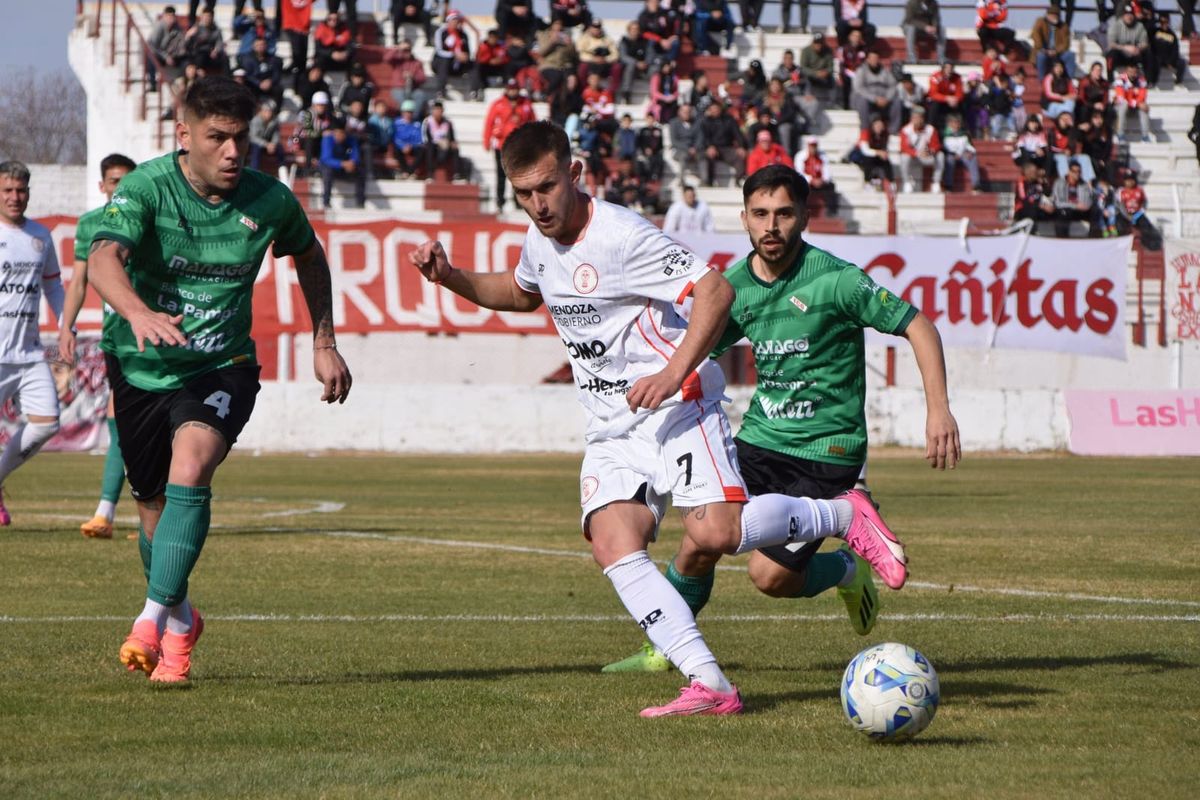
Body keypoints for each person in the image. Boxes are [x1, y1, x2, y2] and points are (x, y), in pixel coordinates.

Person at [409, 121, 909, 716]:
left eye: (545, 187)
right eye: (522, 193)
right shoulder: (538, 239)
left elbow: (715, 291)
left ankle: (843, 513)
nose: (537, 204)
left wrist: (673, 372)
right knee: (613, 541)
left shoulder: (620, 235)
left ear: (574, 173)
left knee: (717, 535)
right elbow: (521, 295)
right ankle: (712, 685)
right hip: (612, 425)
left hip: (678, 407)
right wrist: (451, 278)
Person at [602, 164, 959, 675]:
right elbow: (692, 351)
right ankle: (665, 647)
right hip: (760, 443)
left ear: (805, 217)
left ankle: (843, 566)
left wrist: (938, 409)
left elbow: (918, 326)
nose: (772, 226)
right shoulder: (732, 289)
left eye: (785, 214)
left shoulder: (837, 280)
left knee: (770, 578)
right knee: (701, 540)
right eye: (761, 214)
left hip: (827, 454)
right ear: (744, 219)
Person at [87, 76, 351, 684]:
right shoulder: (146, 187)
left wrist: (324, 340)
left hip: (222, 367)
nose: (234, 152)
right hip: (142, 366)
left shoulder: (270, 199)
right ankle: (181, 622)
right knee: (153, 516)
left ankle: (150, 621)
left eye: (242, 139)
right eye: (218, 138)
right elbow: (103, 258)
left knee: (193, 463)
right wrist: (138, 312)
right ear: (185, 135)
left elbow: (309, 255)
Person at [59, 155, 139, 538]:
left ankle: (114, 510)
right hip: (116, 337)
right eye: (113, 181)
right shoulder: (90, 225)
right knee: (121, 416)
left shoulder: (149, 219)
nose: (119, 187)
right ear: (102, 185)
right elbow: (78, 282)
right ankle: (106, 512)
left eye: (127, 181)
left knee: (141, 421)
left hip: (150, 333)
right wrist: (66, 327)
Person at [0, 162, 65, 526]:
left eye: (21, 190)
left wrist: (65, 325)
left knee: (47, 423)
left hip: (28, 353)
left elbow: (53, 285)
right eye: (7, 190)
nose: (15, 197)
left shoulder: (41, 236)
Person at [483, 79, 537, 211]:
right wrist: (487, 140)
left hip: (519, 146)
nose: (512, 91)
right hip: (501, 145)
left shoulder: (526, 103)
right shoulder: (498, 104)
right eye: (510, 88)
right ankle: (500, 202)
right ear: (506, 89)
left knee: (519, 175)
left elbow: (533, 123)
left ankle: (518, 203)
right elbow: (489, 122)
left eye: (515, 88)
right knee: (501, 175)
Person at [698, 101, 747, 187]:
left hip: (727, 148)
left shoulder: (729, 120)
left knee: (739, 156)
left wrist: (741, 146)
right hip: (711, 148)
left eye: (716, 109)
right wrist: (709, 147)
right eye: (712, 109)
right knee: (706, 157)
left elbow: (737, 134)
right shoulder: (705, 121)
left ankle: (738, 180)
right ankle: (708, 182)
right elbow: (704, 137)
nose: (715, 111)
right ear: (709, 110)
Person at [851, 50, 901, 132]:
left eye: (876, 58)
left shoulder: (885, 71)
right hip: (868, 100)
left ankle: (893, 130)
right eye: (872, 58)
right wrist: (875, 98)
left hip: (884, 100)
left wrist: (887, 99)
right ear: (867, 59)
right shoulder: (861, 71)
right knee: (862, 100)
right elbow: (859, 88)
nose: (875, 60)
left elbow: (893, 86)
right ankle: (865, 129)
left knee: (897, 101)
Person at [322, 117, 368, 206]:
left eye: (341, 133)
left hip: (346, 167)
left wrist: (352, 162)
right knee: (327, 171)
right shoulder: (328, 139)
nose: (339, 136)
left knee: (361, 171)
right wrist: (342, 164)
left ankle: (360, 203)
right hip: (332, 167)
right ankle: (326, 202)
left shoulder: (351, 139)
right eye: (337, 133)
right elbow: (326, 159)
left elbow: (355, 155)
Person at [899, 106, 944, 193]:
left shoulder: (930, 129)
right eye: (915, 118)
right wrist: (917, 153)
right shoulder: (906, 130)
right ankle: (906, 182)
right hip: (913, 157)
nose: (917, 120)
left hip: (926, 157)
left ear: (923, 119)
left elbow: (936, 145)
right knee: (904, 157)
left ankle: (936, 182)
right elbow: (904, 148)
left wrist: (929, 152)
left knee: (940, 156)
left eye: (919, 118)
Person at [1032, 3, 1077, 80]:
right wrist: (1043, 49)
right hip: (1043, 51)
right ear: (1047, 15)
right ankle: (1042, 81)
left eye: (1056, 15)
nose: (1053, 17)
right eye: (1051, 15)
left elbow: (1066, 43)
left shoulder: (1063, 26)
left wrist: (1056, 51)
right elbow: (1035, 34)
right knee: (1041, 56)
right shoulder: (1040, 22)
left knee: (1070, 55)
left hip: (1058, 53)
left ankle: (1069, 81)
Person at [146, 5, 187, 89]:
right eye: (168, 16)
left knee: (186, 59)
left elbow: (180, 44)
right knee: (151, 56)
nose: (170, 18)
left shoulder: (177, 28)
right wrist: (166, 57)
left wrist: (174, 54)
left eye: (172, 16)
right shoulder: (159, 27)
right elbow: (152, 46)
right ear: (164, 16)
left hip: (171, 55)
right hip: (159, 54)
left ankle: (183, 83)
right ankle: (153, 84)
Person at [1051, 160, 1093, 237]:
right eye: (1074, 171)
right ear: (1069, 171)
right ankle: (1062, 239)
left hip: (1080, 211)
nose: (1077, 174)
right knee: (1063, 213)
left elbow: (1088, 201)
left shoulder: (1084, 185)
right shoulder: (1059, 183)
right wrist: (1075, 205)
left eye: (1079, 171)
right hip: (1065, 210)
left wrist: (1084, 206)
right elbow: (1057, 203)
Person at [849, 115, 894, 186]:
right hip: (860, 155)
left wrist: (883, 154)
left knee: (886, 161)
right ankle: (867, 182)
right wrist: (879, 153)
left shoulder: (884, 135)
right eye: (877, 125)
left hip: (874, 155)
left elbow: (884, 148)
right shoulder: (866, 132)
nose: (879, 127)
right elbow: (865, 150)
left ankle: (890, 182)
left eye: (881, 126)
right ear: (873, 125)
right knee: (868, 161)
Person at [941, 114, 980, 192]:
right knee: (949, 160)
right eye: (953, 123)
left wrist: (970, 152)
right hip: (950, 155)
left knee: (973, 158)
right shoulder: (943, 134)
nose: (956, 125)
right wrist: (953, 154)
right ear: (949, 124)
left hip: (963, 154)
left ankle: (976, 186)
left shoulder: (965, 134)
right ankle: (948, 186)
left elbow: (970, 146)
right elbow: (943, 147)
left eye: (957, 123)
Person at [1113, 63, 1151, 142]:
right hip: (1122, 106)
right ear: (1126, 71)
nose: (1132, 74)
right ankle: (1120, 134)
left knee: (1144, 107)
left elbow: (1142, 96)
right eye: (1130, 72)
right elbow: (1121, 97)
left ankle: (1145, 136)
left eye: (1134, 72)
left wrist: (1137, 103)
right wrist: (1136, 103)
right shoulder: (1120, 80)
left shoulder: (1141, 80)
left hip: (1134, 106)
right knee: (1123, 104)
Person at [1106, 6, 1148, 78]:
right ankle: (1110, 79)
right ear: (1123, 16)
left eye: (1131, 14)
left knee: (1148, 54)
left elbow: (1145, 43)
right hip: (1121, 55)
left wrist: (1138, 48)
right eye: (1127, 15)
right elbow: (1111, 44)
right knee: (1110, 55)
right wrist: (1124, 48)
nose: (1129, 17)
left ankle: (1149, 80)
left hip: (1135, 54)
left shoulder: (1139, 26)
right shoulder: (1116, 25)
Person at [184, 9, 227, 75]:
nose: (206, 19)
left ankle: (226, 79)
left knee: (224, 58)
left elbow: (219, 42)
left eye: (208, 17)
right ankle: (198, 71)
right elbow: (187, 45)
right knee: (201, 55)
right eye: (205, 17)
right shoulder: (196, 28)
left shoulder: (216, 29)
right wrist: (188, 36)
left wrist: (216, 50)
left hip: (211, 54)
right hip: (198, 54)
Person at [668, 102, 702, 184]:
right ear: (679, 112)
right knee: (683, 156)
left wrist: (695, 148)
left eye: (688, 111)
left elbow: (700, 137)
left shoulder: (697, 122)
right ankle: (681, 180)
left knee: (703, 156)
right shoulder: (673, 122)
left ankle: (705, 180)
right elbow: (674, 141)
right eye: (684, 111)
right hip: (679, 149)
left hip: (695, 149)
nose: (686, 113)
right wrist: (688, 149)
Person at [248, 100, 281, 172]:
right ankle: (254, 171)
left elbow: (276, 135)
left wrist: (273, 144)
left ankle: (282, 170)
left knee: (280, 148)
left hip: (268, 144)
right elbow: (253, 137)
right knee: (256, 148)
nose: (269, 113)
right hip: (256, 144)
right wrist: (266, 144)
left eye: (270, 111)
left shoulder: (275, 121)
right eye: (266, 111)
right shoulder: (255, 120)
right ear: (261, 111)